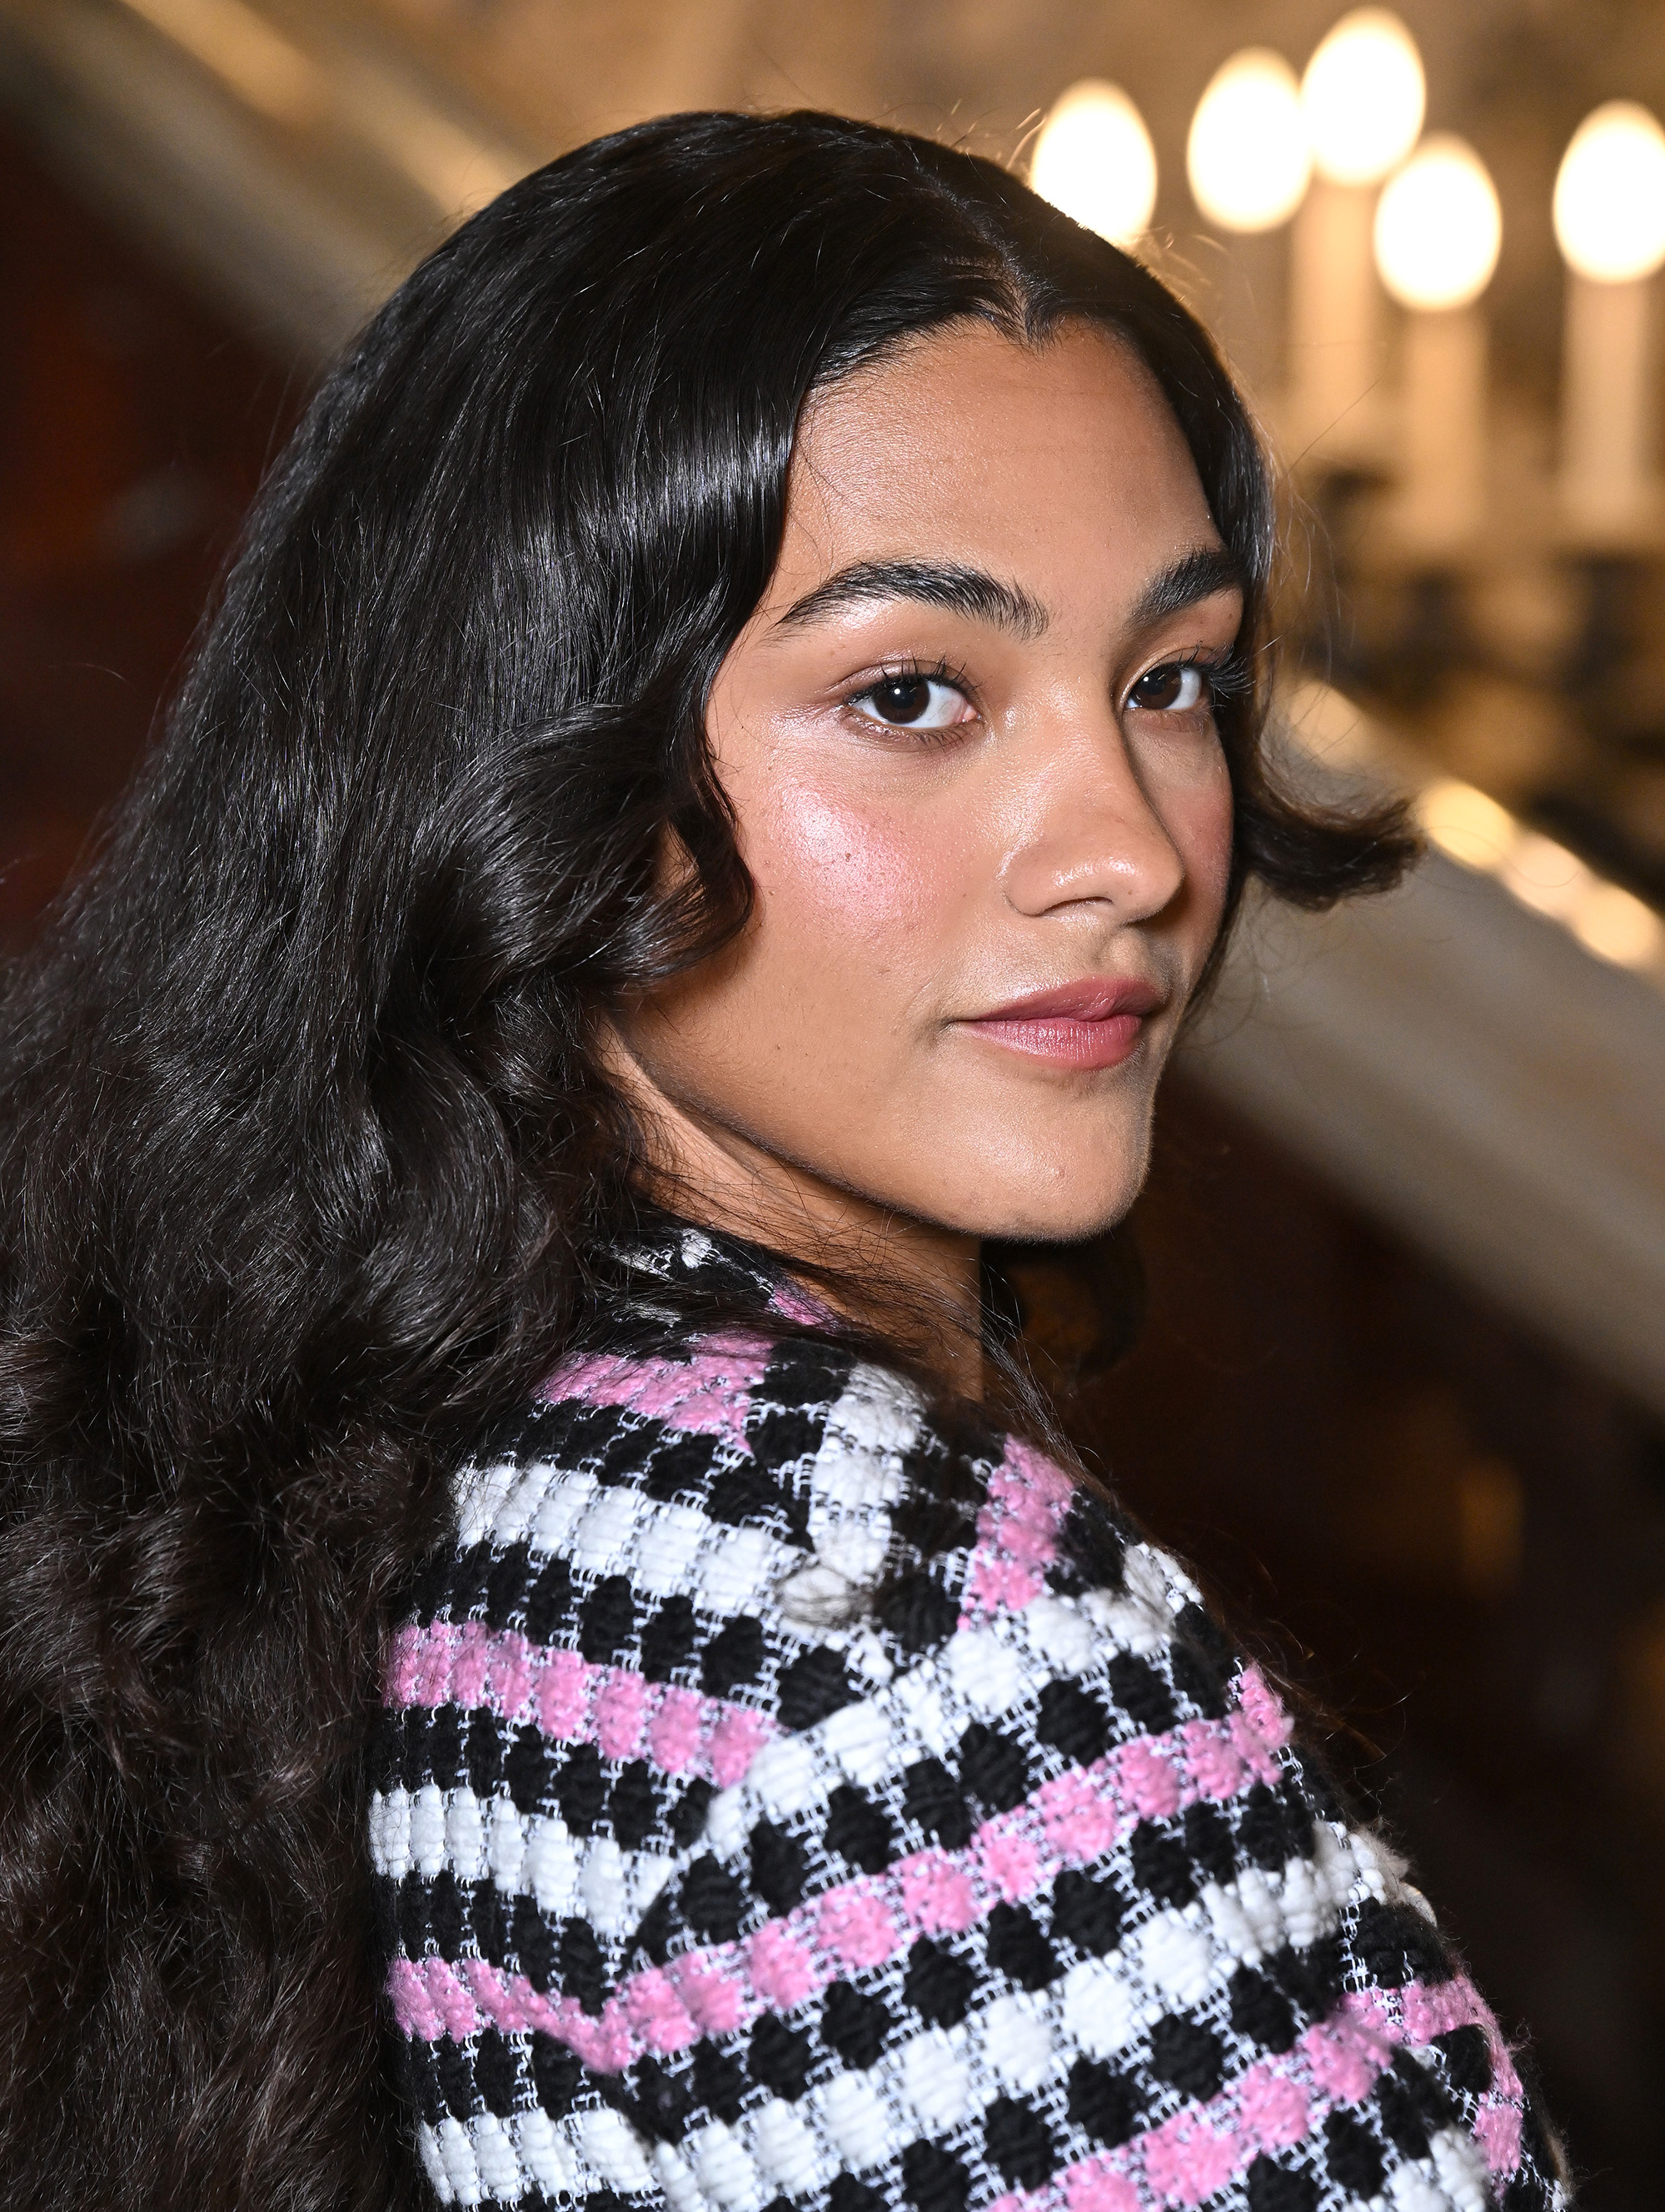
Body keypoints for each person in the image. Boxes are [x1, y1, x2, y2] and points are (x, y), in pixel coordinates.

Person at [0, 111, 1567, 2212]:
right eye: (916, 690)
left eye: (1167, 679)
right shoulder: (878, 1627)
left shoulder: (472, 1448)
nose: (1124, 843)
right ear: (544, 754)